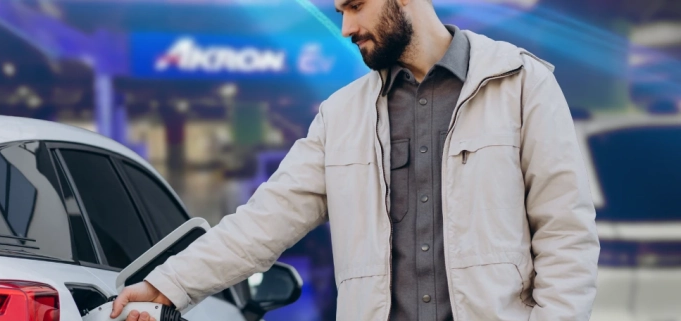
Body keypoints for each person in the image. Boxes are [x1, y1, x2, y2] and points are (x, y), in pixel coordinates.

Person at [112, 0, 600, 320]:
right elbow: (263, 223)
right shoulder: (341, 115)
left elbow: (565, 233)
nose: (347, 27)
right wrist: (167, 285)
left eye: (355, 7)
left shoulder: (521, 84)